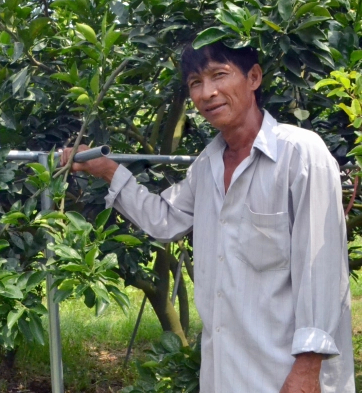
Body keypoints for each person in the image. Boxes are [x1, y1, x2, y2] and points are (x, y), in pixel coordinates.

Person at [61, 42, 354, 392]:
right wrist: (108, 171)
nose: (207, 92)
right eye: (195, 82)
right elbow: (164, 220)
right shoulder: (208, 164)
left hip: (286, 373)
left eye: (219, 75)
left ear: (254, 78)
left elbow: (321, 270)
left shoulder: (301, 155)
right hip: (226, 372)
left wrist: (307, 370)